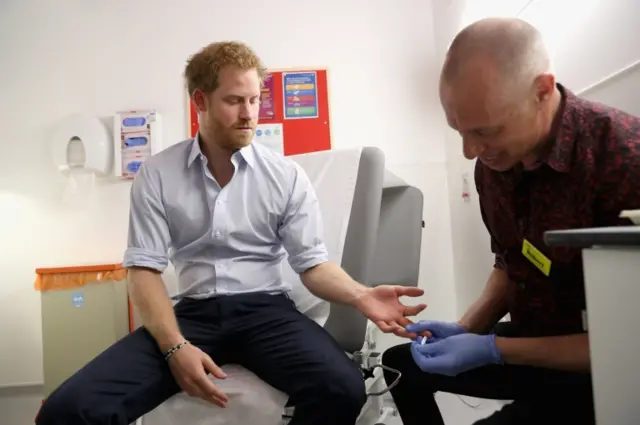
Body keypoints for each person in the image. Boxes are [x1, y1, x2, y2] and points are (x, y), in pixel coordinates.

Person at [35, 41, 427, 425]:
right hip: (192, 316)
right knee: (68, 410)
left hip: (267, 313)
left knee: (342, 387)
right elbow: (144, 271)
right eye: (235, 100)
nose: (249, 114)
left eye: (255, 100)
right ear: (200, 101)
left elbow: (312, 265)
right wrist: (174, 347)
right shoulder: (157, 174)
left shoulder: (286, 176)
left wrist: (361, 295)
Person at [382, 17, 640, 425]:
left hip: (606, 368)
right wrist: (467, 328)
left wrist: (494, 350)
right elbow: (511, 260)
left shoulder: (623, 155)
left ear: (541, 91)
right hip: (532, 346)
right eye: (459, 131)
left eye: (485, 131)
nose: (469, 151)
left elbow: (631, 345)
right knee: (401, 365)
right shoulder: (495, 163)